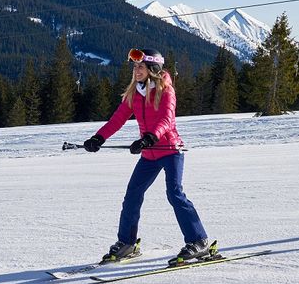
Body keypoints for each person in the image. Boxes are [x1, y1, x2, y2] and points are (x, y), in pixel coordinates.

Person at [82, 48, 216, 266]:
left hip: (169, 150)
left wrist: (149, 138)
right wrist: (98, 138)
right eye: (134, 67)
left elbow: (166, 120)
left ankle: (198, 241)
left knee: (175, 194)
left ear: (153, 69)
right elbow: (117, 119)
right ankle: (127, 242)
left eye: (140, 67)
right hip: (149, 154)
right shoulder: (135, 92)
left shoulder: (166, 91)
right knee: (132, 195)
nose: (136, 71)